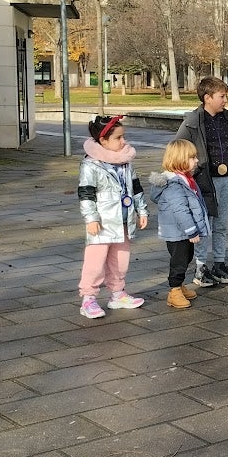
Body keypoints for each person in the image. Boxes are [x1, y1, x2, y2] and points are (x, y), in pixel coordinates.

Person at [174, 75, 228, 288]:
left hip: (227, 180)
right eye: (222, 96)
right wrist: (195, 167)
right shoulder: (192, 121)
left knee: (222, 225)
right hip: (204, 182)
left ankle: (219, 263)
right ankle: (200, 267)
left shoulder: (227, 118)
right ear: (208, 98)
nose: (226, 100)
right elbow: (176, 147)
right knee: (203, 225)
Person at [76, 115, 148, 318]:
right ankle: (88, 298)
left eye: (123, 136)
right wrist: (91, 218)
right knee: (95, 262)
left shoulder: (126, 161)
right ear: (103, 141)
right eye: (118, 138)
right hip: (102, 223)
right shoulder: (91, 165)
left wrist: (141, 210)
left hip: (123, 221)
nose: (123, 141)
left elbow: (136, 187)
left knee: (120, 259)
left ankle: (117, 293)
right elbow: (86, 193)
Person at [150, 138, 211, 309]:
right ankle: (174, 290)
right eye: (192, 157)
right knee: (179, 260)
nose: (197, 160)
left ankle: (180, 285)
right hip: (179, 232)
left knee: (186, 257)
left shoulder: (185, 180)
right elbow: (180, 210)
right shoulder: (174, 185)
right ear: (180, 160)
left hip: (183, 231)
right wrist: (192, 231)